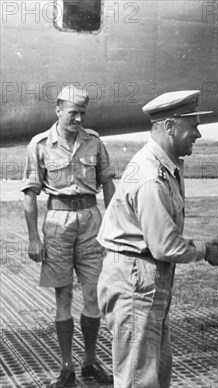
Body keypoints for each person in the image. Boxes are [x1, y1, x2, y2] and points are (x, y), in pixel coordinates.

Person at [96, 90, 218, 388]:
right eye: (192, 125)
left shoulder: (164, 165)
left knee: (152, 374)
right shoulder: (151, 177)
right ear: (170, 127)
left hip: (144, 277)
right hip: (135, 280)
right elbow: (165, 245)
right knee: (137, 379)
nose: (198, 133)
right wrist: (206, 249)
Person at [22, 85, 116, 387]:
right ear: (58, 110)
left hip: (91, 222)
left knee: (93, 296)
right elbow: (30, 195)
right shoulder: (39, 145)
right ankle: (66, 368)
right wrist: (33, 238)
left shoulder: (95, 143)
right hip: (57, 222)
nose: (78, 119)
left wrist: (113, 227)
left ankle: (89, 363)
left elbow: (108, 185)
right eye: (73, 112)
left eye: (82, 113)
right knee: (63, 297)